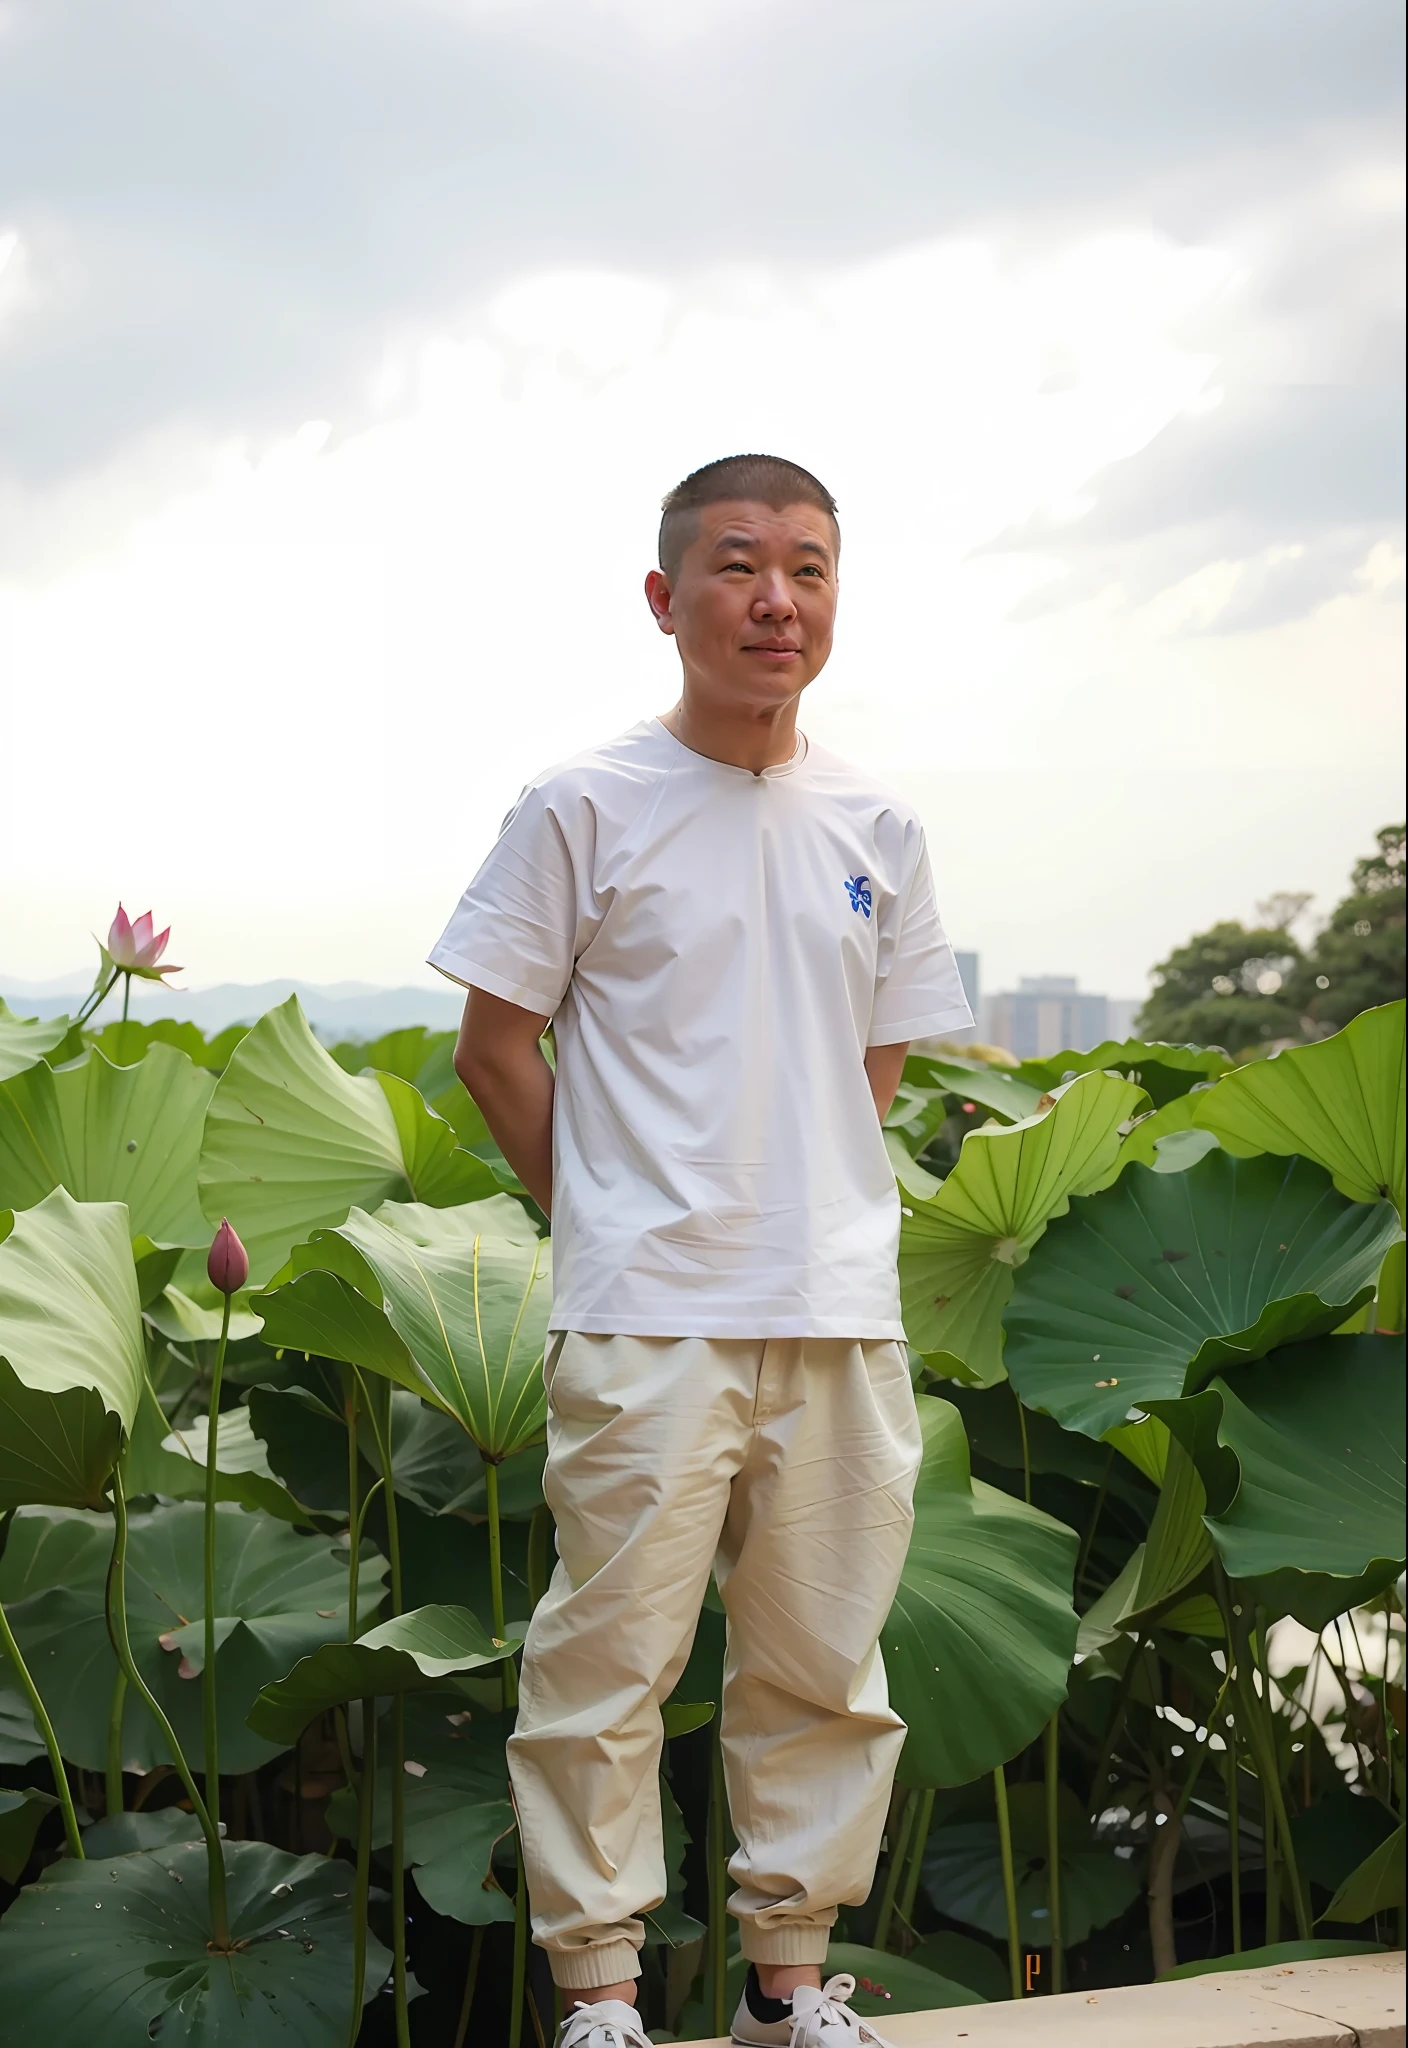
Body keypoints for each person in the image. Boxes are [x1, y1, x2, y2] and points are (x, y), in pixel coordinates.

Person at [430, 454, 972, 2048]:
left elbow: (874, 1059)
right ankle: (600, 1991)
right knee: (607, 1667)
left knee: (825, 1666)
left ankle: (787, 1986)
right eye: (739, 565)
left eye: (807, 568)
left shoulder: (880, 821)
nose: (775, 599)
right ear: (666, 600)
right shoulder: (583, 804)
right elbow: (493, 1042)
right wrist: (600, 1206)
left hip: (837, 1307)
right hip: (648, 1309)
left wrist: (811, 1195)